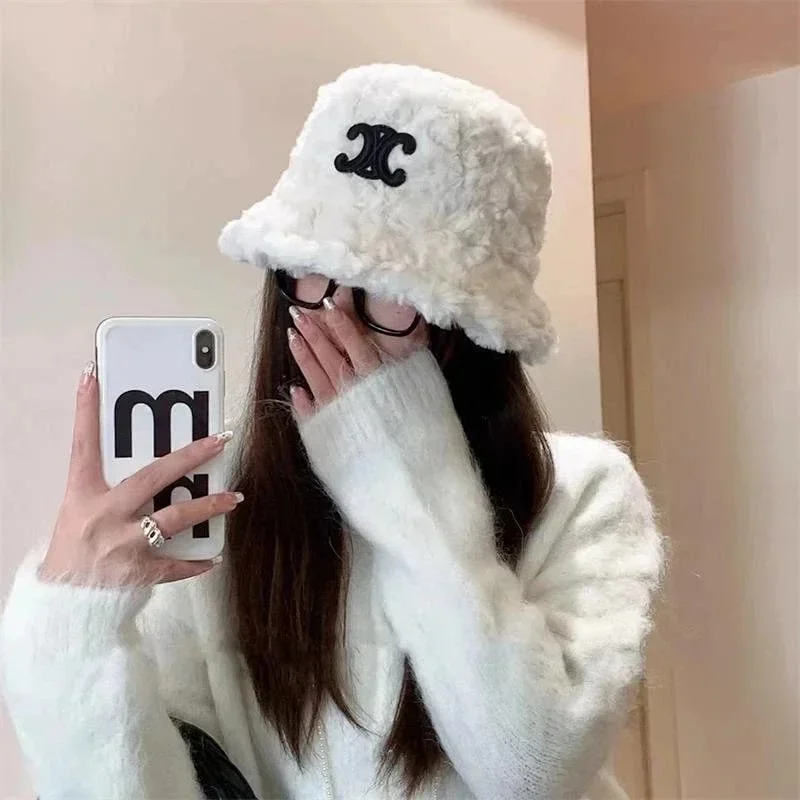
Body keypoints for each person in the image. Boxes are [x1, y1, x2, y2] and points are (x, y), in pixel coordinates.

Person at [0, 64, 665, 800]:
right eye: (313, 273)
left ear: (469, 330)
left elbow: (532, 771)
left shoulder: (582, 492)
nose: (333, 315)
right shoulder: (212, 507)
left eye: (390, 291)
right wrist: (73, 625)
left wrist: (403, 479)